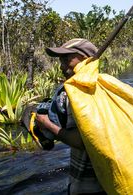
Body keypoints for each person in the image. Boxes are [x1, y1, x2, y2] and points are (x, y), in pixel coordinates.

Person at [35, 38, 106, 195]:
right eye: (61, 60)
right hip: (109, 181)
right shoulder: (104, 85)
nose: (61, 66)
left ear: (85, 59)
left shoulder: (76, 93)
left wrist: (47, 124)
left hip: (88, 184)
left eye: (67, 59)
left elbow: (80, 141)